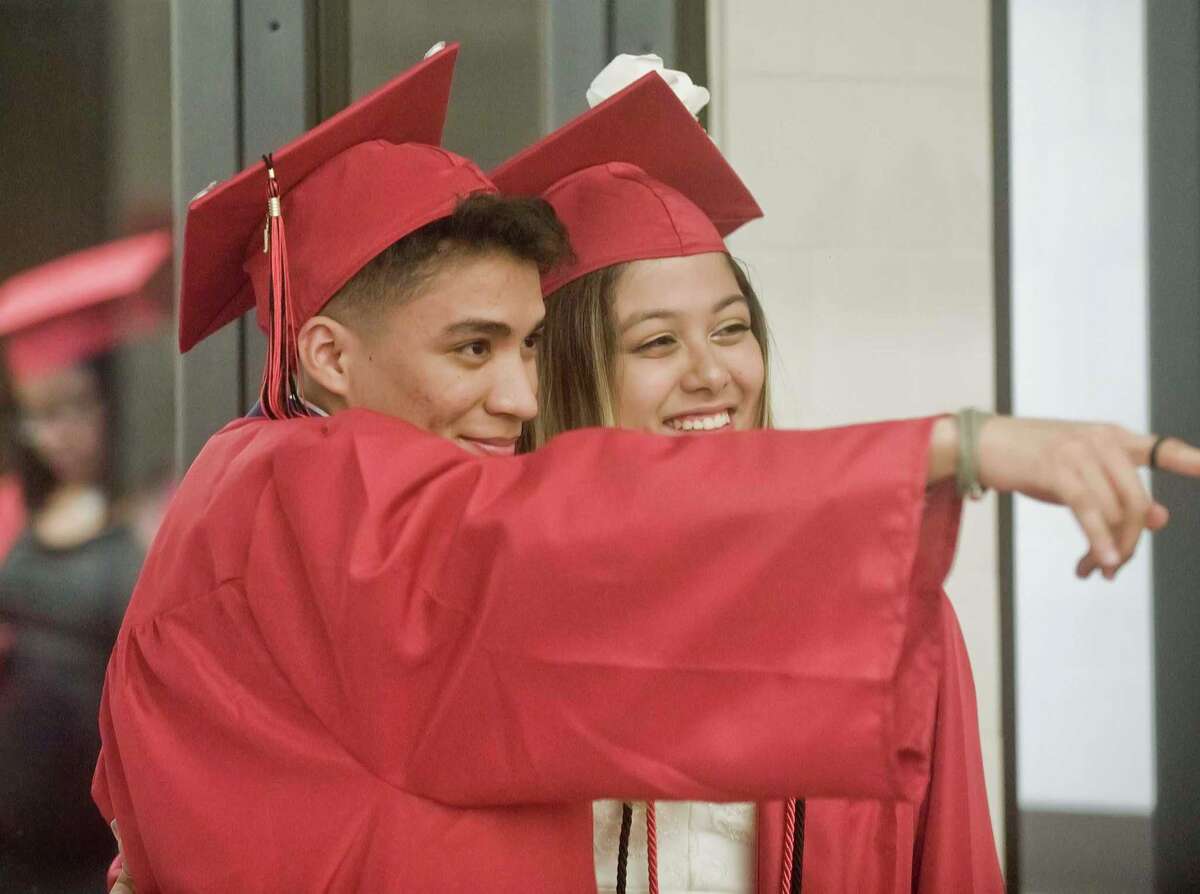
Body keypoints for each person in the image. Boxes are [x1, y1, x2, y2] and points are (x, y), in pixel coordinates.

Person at [96, 45, 1199, 894]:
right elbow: (519, 544)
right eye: (655, 344)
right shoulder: (294, 497)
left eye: (733, 328)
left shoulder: (859, 606)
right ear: (327, 355)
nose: (515, 394)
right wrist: (964, 444)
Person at [493, 58, 1002, 894]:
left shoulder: (880, 608)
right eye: (658, 343)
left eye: (731, 330)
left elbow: (953, 866)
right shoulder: (495, 610)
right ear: (561, 377)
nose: (711, 373)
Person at [0, 230, 171, 892]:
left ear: (113, 397)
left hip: (100, 851)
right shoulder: (17, 512)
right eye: (38, 416)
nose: (57, 435)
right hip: (17, 848)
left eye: (74, 407)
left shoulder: (155, 516)